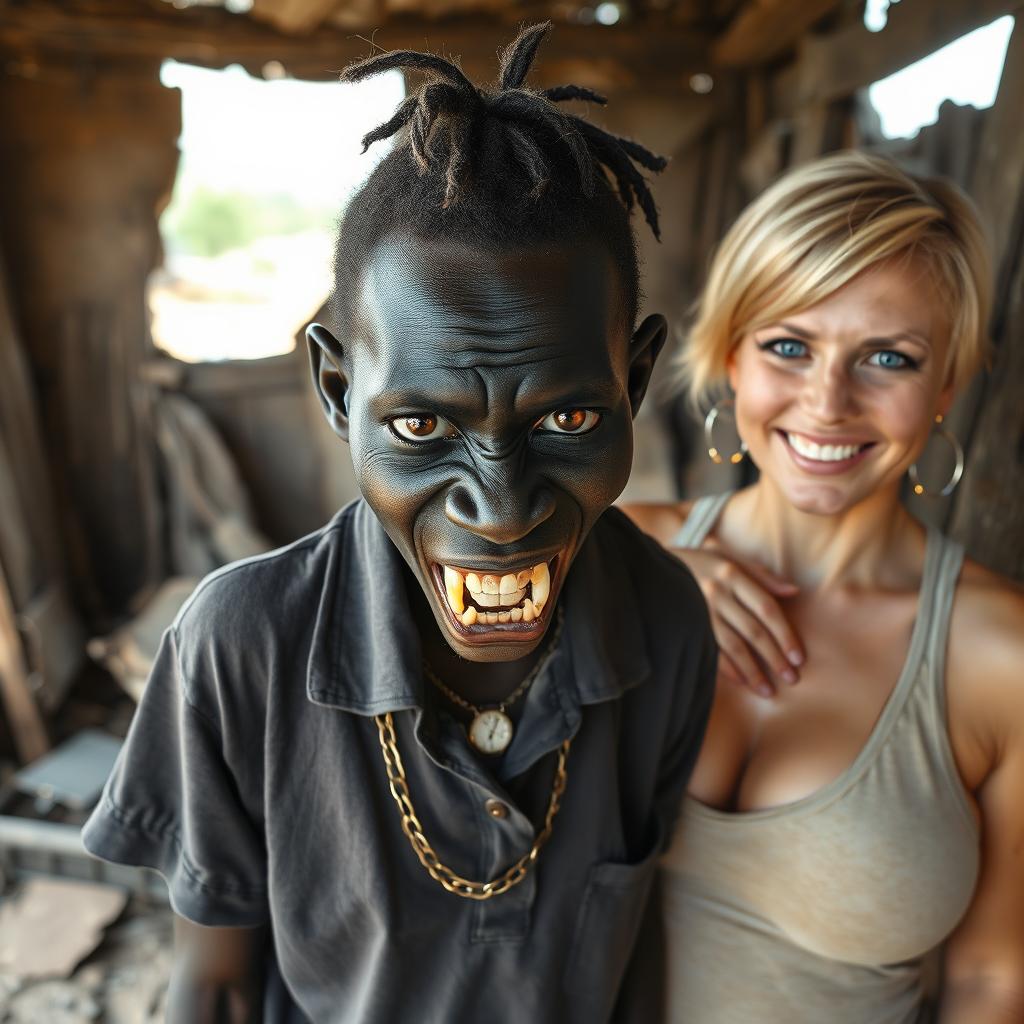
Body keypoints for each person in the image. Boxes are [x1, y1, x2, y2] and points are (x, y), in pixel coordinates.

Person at [81, 23, 717, 1024]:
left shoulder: (667, 623)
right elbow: (212, 985)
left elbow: (634, 963)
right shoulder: (240, 647)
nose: (501, 509)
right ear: (338, 391)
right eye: (422, 423)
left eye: (566, 418)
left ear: (633, 381)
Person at [624, 151, 1024, 1023]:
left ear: (947, 384)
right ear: (732, 356)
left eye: (889, 357)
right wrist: (629, 574)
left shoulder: (1001, 658)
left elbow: (994, 983)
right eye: (789, 346)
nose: (828, 401)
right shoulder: (616, 554)